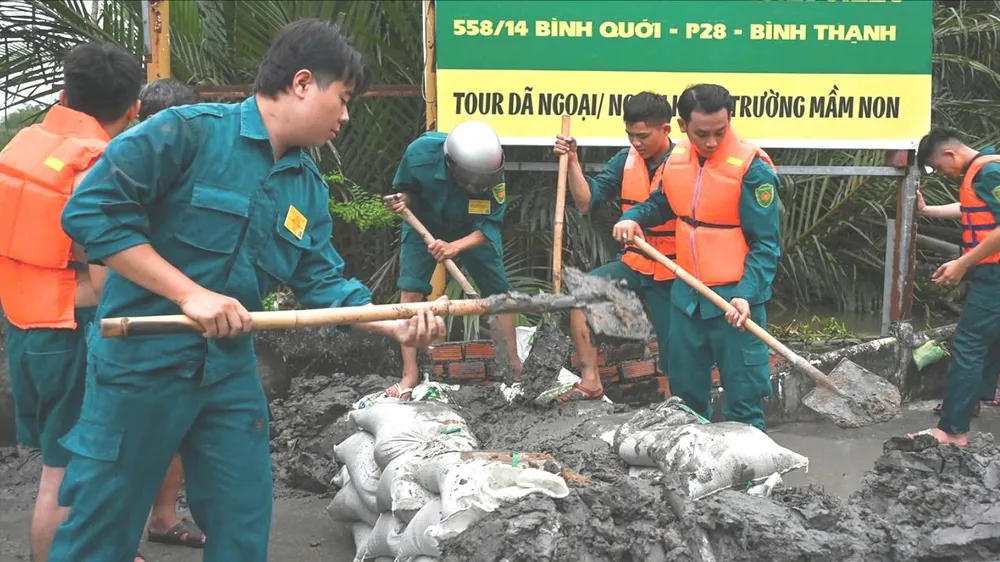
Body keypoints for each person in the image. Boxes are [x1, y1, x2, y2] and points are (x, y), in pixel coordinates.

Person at [49, 19, 446, 561]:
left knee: (242, 521)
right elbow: (90, 211)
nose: (346, 117)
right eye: (344, 98)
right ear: (302, 83)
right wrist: (188, 293)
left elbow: (321, 281)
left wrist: (392, 322)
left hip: (228, 372)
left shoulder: (305, 187)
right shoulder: (186, 134)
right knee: (102, 522)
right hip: (140, 364)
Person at [0, 42, 144, 562]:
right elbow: (108, 285)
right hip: (71, 331)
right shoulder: (97, 167)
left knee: (57, 468)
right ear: (134, 108)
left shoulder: (21, 147)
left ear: (64, 94)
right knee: (65, 475)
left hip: (22, 327)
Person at [613, 83, 782, 432]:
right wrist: (635, 217)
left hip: (735, 300)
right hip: (686, 297)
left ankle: (749, 464)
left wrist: (746, 295)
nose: (712, 142)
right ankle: (692, 459)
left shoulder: (753, 170)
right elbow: (663, 203)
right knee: (685, 398)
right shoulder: (676, 161)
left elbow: (765, 244)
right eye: (702, 133)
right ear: (682, 125)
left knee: (744, 399)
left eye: (720, 131)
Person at [550, 91, 676, 402]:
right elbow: (586, 201)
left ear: (665, 129)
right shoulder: (625, 160)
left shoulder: (684, 163)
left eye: (643, 136)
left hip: (673, 268)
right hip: (634, 262)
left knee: (675, 344)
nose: (636, 142)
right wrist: (573, 161)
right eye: (631, 135)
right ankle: (591, 381)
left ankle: (677, 402)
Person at [382, 120, 521, 400]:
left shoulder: (492, 172)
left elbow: (489, 227)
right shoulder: (420, 154)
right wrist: (402, 201)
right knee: (410, 293)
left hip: (472, 230)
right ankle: (410, 375)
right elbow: (407, 190)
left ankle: (515, 369)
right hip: (423, 223)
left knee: (500, 296)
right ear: (450, 164)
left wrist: (454, 246)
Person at [135, 77, 207, 550]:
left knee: (176, 425)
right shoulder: (124, 170)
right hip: (132, 324)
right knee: (128, 435)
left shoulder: (198, 171)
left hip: (181, 321)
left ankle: (162, 517)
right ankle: (120, 538)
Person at [907, 127, 1000, 447]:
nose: (942, 173)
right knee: (988, 340)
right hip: (989, 272)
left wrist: (963, 263)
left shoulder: (988, 172)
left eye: (938, 167)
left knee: (968, 344)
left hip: (995, 275)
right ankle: (972, 400)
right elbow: (971, 209)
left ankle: (952, 430)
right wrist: (926, 211)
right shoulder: (981, 171)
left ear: (950, 154)